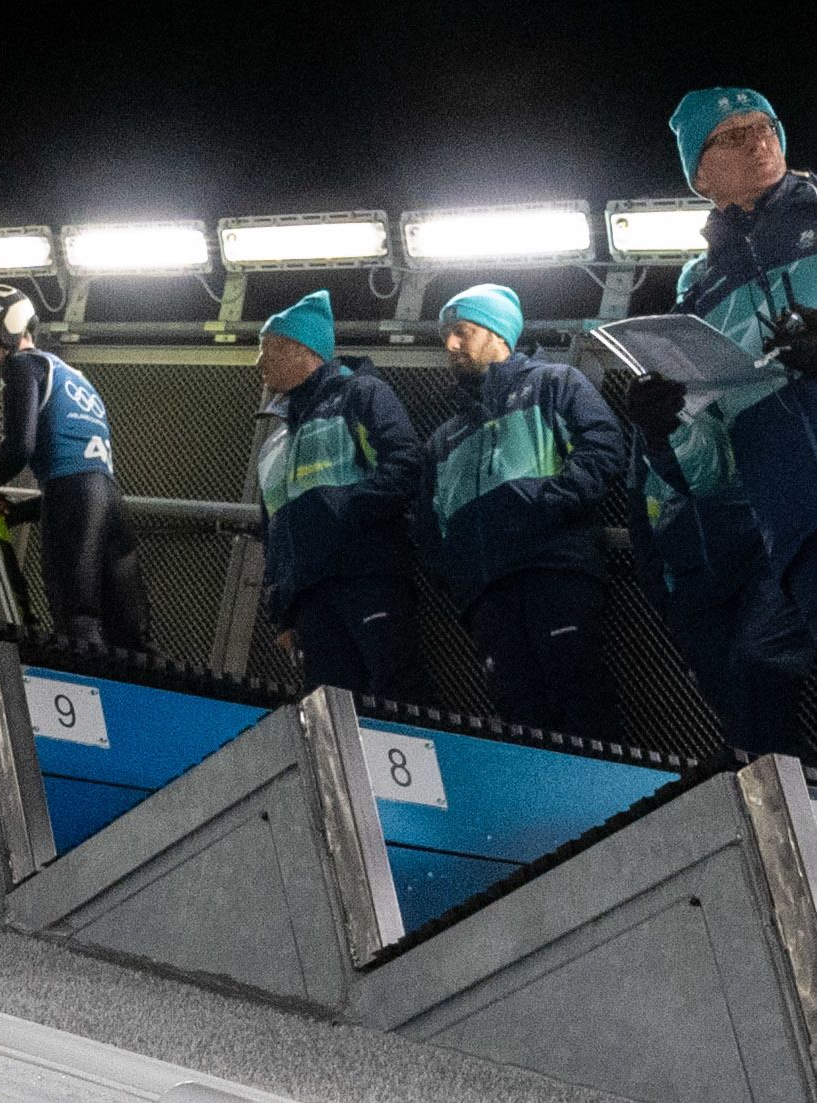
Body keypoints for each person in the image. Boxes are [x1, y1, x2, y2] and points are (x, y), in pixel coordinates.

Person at [414, 284, 628, 741]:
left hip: (553, 569)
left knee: (582, 706)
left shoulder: (554, 382)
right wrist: (456, 568)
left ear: (498, 334)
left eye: (462, 332)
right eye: (446, 336)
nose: (450, 345)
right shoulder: (443, 436)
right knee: (521, 719)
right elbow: (429, 522)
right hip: (486, 591)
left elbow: (604, 445)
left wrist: (547, 504)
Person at [640, 89, 817, 640]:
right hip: (800, 533)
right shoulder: (696, 294)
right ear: (699, 176)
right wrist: (664, 428)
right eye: (732, 136)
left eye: (765, 126)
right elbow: (711, 468)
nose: (758, 141)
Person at [0, 283, 149, 650]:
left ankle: (84, 702)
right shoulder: (72, 374)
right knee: (131, 635)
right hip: (109, 501)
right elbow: (80, 473)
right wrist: (20, 511)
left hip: (73, 498)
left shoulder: (22, 366)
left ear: (6, 327)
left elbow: (20, 445)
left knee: (77, 620)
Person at [249, 289, 426, 701]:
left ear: (301, 350)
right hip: (312, 599)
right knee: (330, 709)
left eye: (268, 348)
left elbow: (404, 465)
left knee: (397, 694)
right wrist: (284, 613)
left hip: (366, 577)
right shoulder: (275, 443)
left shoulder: (361, 395)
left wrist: (344, 516)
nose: (259, 361)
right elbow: (272, 531)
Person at [621, 396, 813, 759]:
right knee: (732, 708)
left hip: (760, 556)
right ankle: (767, 798)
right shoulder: (651, 402)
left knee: (758, 674)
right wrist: (659, 587)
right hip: (690, 579)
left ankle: (793, 795)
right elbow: (639, 496)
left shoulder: (738, 378)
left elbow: (713, 473)